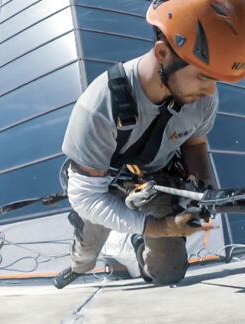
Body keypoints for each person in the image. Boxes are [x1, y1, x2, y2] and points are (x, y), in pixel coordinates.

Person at [54, 0, 245, 289]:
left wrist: (203, 190)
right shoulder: (99, 106)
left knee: (168, 274)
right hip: (103, 187)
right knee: (87, 251)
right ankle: (78, 264)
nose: (210, 91)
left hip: (154, 184)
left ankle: (136, 237)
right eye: (204, 77)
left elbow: (195, 145)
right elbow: (87, 198)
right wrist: (162, 227)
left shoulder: (203, 99)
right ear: (163, 54)